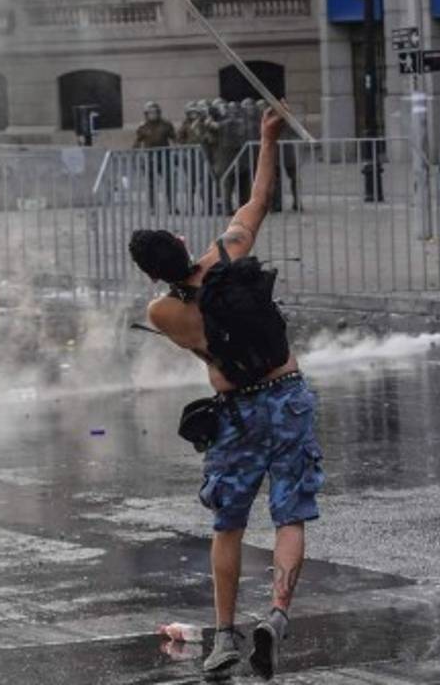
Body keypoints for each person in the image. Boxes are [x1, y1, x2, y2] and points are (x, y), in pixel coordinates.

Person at [128, 106, 323, 682]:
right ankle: (279, 615)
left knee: (229, 525)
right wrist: (267, 138)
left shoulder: (162, 310)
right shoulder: (227, 252)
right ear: (184, 240)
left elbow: (199, 344)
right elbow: (257, 202)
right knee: (291, 514)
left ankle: (224, 638)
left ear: (151, 273)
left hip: (235, 413)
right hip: (287, 394)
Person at [135, 101, 177, 212]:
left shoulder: (166, 125)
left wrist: (177, 152)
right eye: (150, 112)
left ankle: (172, 206)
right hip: (150, 158)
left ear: (159, 113)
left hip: (165, 157)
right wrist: (136, 156)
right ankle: (152, 207)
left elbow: (174, 138)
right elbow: (137, 142)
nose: (153, 114)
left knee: (169, 181)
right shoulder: (143, 127)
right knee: (151, 184)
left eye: (155, 112)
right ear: (146, 114)